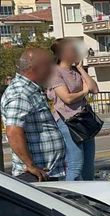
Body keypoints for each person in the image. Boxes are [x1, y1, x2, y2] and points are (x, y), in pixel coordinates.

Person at [0, 48, 65, 182]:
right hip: (35, 175)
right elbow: (13, 131)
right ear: (37, 68)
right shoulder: (20, 93)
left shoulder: (31, 89)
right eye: (49, 66)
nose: (53, 70)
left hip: (46, 172)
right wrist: (30, 165)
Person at [48, 38, 99, 181]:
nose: (77, 51)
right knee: (75, 164)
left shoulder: (76, 71)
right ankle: (71, 198)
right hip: (67, 122)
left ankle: (89, 197)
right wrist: (83, 92)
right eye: (73, 49)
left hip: (84, 120)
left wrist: (81, 69)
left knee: (89, 166)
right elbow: (67, 98)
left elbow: (94, 89)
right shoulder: (55, 73)